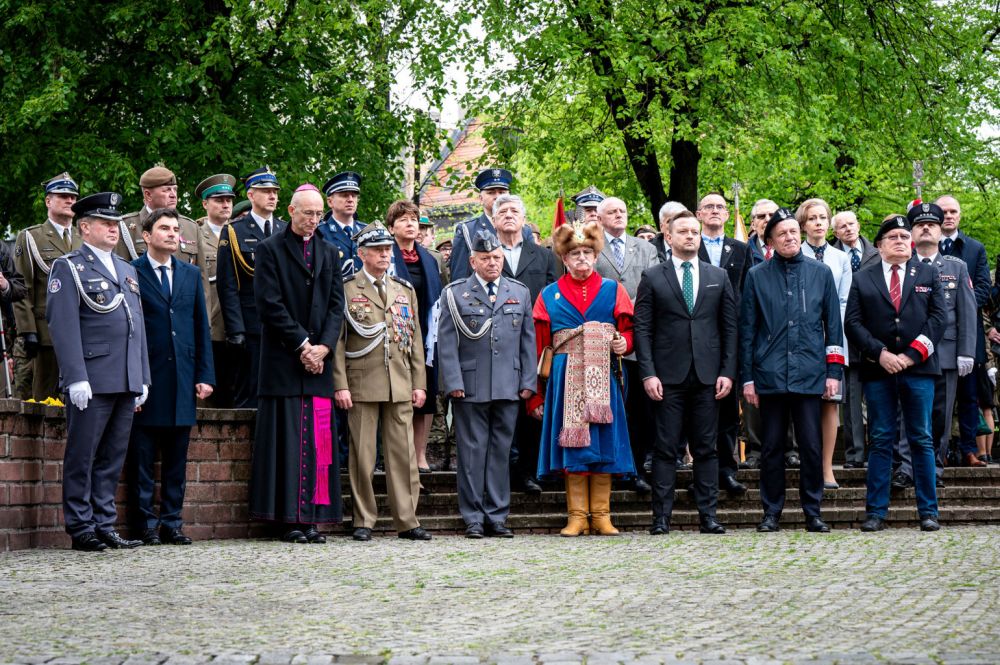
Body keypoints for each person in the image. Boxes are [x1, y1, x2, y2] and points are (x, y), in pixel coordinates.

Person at [47, 192, 150, 551]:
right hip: (91, 377)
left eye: (116, 223)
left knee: (112, 458)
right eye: (106, 223)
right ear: (85, 227)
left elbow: (137, 325)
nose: (113, 229)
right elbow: (63, 326)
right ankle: (81, 526)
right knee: (83, 455)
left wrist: (142, 377)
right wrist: (75, 376)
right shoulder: (69, 266)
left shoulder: (126, 268)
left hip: (124, 376)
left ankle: (104, 523)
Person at [249, 186, 346, 543]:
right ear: (291, 211)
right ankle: (288, 517)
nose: (313, 221)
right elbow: (268, 304)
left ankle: (314, 518)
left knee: (320, 441)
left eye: (319, 215)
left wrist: (323, 347)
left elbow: (337, 305)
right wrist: (302, 344)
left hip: (319, 364)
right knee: (287, 442)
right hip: (284, 361)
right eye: (307, 214)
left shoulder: (330, 252)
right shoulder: (269, 250)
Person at [740, 208, 844, 533]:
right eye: (782, 233)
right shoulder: (757, 275)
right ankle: (771, 511)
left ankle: (813, 510)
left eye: (793, 232)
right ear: (769, 240)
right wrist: (747, 378)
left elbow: (834, 327)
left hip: (810, 372)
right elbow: (747, 330)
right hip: (769, 375)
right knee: (771, 447)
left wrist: (833, 373)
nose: (790, 237)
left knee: (811, 446)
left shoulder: (820, 272)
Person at [529, 221, 636, 536]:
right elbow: (539, 345)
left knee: (603, 441)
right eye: (574, 253)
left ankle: (602, 514)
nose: (581, 258)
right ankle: (576, 516)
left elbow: (630, 333)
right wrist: (537, 393)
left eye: (587, 252)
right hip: (565, 379)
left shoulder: (613, 289)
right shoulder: (548, 294)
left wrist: (623, 343)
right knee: (572, 445)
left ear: (595, 254)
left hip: (603, 375)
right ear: (564, 257)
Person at [634, 210, 737, 535]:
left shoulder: (718, 276)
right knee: (665, 447)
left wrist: (727, 372)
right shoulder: (653, 276)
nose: (691, 236)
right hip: (667, 377)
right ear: (670, 236)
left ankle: (708, 516)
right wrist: (648, 373)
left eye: (695, 231)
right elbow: (643, 328)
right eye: (684, 232)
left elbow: (730, 329)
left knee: (707, 447)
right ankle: (661, 518)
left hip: (709, 377)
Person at [844, 211, 946, 532]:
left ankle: (928, 512)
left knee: (922, 439)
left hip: (919, 370)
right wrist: (881, 354)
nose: (901, 241)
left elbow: (939, 320)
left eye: (905, 237)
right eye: (893, 238)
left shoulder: (928, 275)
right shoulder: (863, 278)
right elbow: (853, 323)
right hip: (879, 370)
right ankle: (876, 512)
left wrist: (912, 355)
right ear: (880, 245)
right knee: (881, 439)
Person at [334, 222, 431, 542]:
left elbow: (415, 339)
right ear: (362, 253)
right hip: (362, 381)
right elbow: (338, 340)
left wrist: (420, 383)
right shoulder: (347, 287)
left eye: (387, 249)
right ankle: (363, 519)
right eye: (378, 250)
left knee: (403, 455)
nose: (385, 254)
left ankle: (407, 519)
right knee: (362, 455)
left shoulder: (404, 289)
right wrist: (340, 384)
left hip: (400, 382)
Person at [438, 232, 536, 538]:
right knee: (471, 452)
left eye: (496, 257)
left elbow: (528, 341)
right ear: (472, 261)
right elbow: (447, 343)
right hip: (470, 384)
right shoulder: (455, 294)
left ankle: (496, 515)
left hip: (508, 384)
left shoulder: (518, 292)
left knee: (500, 452)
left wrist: (528, 381)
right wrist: (452, 381)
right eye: (485, 258)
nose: (492, 263)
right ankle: (473, 517)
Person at [128, 208, 215, 545]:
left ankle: (172, 522)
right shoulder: (131, 272)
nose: (172, 234)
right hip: (148, 378)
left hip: (182, 375)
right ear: (146, 236)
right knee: (142, 459)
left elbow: (200, 326)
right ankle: (146, 524)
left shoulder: (191, 274)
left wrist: (205, 374)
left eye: (176, 229)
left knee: (177, 459)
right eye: (164, 228)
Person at [894, 206, 975, 489]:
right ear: (912, 233)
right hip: (910, 354)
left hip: (946, 354)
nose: (926, 228)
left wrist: (967, 350)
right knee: (908, 413)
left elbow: (967, 311)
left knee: (940, 415)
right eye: (920, 225)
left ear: (941, 231)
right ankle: (906, 469)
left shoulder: (956, 267)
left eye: (932, 224)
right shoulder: (900, 264)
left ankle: (935, 468)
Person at [494, 194, 558, 494]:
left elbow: (552, 299)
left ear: (524, 218)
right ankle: (501, 472)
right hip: (495, 343)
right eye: (503, 211)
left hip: (535, 343)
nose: (509, 215)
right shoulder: (486, 253)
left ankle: (529, 472)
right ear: (494, 220)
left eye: (514, 211)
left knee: (533, 406)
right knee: (502, 409)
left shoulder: (544, 256)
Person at [594, 196, 658, 493]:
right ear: (600, 217)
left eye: (622, 210)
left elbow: (655, 284)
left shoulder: (646, 248)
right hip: (602, 337)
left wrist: (632, 308)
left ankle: (636, 467)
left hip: (638, 337)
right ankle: (611, 465)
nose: (618, 215)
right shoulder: (592, 246)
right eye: (612, 211)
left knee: (638, 409)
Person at [216, 166, 287, 408]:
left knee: (279, 391)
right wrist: (236, 329)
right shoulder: (235, 231)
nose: (272, 196)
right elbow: (227, 285)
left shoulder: (285, 230)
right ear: (250, 195)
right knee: (249, 393)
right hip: (251, 323)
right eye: (265, 191)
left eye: (275, 191)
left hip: (282, 324)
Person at [695, 193, 752, 496]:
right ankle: (701, 473)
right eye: (710, 207)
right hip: (698, 337)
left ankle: (726, 471)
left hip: (733, 338)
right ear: (699, 214)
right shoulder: (691, 247)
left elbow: (749, 292)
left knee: (729, 411)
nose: (715, 211)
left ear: (728, 215)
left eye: (721, 207)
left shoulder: (742, 250)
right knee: (700, 411)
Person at [797, 198, 852, 490]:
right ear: (803, 224)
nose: (818, 222)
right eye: (812, 218)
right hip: (801, 340)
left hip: (832, 338)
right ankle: (806, 465)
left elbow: (845, 301)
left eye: (822, 217)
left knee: (830, 404)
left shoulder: (841, 258)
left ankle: (827, 468)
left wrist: (833, 335)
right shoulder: (794, 253)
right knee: (803, 404)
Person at [386, 199, 444, 473]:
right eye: (403, 219)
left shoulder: (430, 259)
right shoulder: (386, 256)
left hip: (427, 338)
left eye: (414, 219)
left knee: (426, 395)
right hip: (396, 336)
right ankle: (401, 455)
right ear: (391, 227)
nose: (411, 224)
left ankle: (420, 454)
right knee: (399, 396)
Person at [14, 173, 83, 400]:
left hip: (81, 332)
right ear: (47, 201)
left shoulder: (83, 237)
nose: (70, 201)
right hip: (45, 334)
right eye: (63, 196)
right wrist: (28, 330)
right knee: (41, 399)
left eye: (73, 197)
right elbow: (22, 288)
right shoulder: (31, 237)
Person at [936, 195, 991, 468]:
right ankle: (940, 450)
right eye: (943, 211)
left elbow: (983, 287)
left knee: (969, 395)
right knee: (937, 396)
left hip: (969, 334)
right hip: (936, 334)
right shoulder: (925, 248)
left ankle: (969, 450)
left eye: (953, 211)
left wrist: (961, 306)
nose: (948, 215)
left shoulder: (975, 248)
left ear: (960, 215)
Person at [830, 209, 879, 469]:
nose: (848, 229)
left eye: (851, 224)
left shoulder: (876, 253)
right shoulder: (831, 256)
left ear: (859, 226)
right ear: (835, 232)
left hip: (873, 336)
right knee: (849, 400)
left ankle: (879, 452)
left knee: (877, 399)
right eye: (842, 226)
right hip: (845, 335)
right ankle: (854, 454)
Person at [194, 174, 239, 407]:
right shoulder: (194, 237)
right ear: (205, 204)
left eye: (228, 200)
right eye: (219, 200)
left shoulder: (241, 234)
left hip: (239, 328)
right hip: (211, 329)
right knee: (205, 398)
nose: (225, 205)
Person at [449, 168, 533, 281]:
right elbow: (459, 277)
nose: (497, 196)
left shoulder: (525, 230)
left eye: (502, 192)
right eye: (491, 192)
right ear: (480, 198)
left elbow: (534, 269)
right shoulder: (467, 230)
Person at [114, 166, 199, 265]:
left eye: (175, 190)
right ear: (148, 195)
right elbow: (120, 271)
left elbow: (201, 275)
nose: (173, 195)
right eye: (166, 190)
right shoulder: (126, 227)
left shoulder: (192, 227)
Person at [316, 171, 365, 277]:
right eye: (344, 195)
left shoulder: (367, 231)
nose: (350, 200)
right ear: (330, 202)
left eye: (354, 195)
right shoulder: (319, 232)